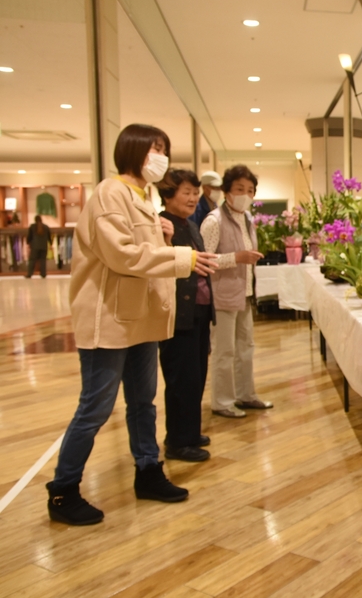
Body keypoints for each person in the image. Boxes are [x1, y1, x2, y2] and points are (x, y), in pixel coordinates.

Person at [46, 124, 217, 526]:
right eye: (154, 149)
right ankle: (63, 490)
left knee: (144, 402)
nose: (160, 157)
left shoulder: (144, 197)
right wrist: (182, 257)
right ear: (133, 150)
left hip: (140, 318)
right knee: (96, 408)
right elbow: (123, 255)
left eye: (164, 150)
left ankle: (148, 471)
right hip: (109, 319)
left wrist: (166, 240)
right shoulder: (110, 193)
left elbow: (144, 254)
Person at [200, 164, 272, 418]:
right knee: (224, 351)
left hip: (244, 293)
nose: (245, 193)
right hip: (222, 294)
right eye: (240, 188)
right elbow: (204, 260)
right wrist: (237, 257)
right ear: (227, 191)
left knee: (246, 347)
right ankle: (222, 401)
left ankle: (246, 394)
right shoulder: (214, 220)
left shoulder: (247, 219)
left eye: (250, 190)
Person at [157, 169, 214, 462]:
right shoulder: (161, 226)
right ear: (168, 195)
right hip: (178, 314)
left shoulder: (191, 226)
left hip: (199, 312)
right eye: (186, 193)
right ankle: (177, 441)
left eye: (195, 193)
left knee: (197, 375)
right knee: (181, 378)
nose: (193, 198)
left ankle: (190, 433)